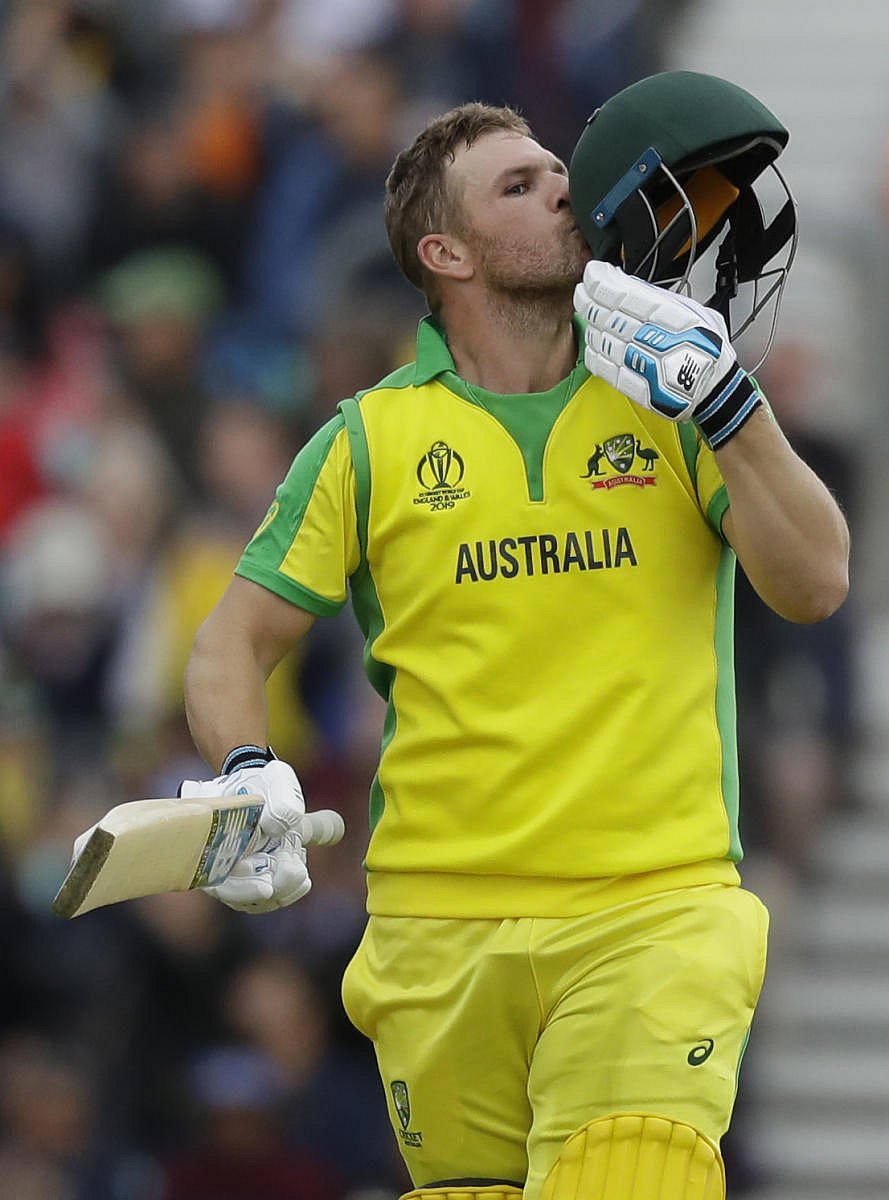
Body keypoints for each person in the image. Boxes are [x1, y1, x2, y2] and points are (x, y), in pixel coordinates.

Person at [178, 75, 849, 1200]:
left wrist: (727, 403)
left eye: (557, 171)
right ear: (446, 254)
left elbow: (817, 582)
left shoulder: (674, 394)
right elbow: (228, 647)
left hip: (652, 907)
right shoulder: (369, 441)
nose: (565, 192)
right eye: (521, 183)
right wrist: (249, 772)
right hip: (435, 938)